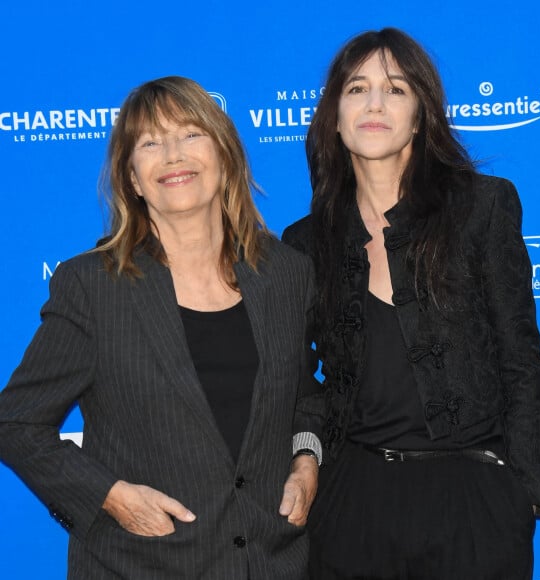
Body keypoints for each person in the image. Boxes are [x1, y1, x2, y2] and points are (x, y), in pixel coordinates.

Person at [0, 76, 322, 580]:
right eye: (150, 143)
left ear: (225, 156)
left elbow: (305, 397)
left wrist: (307, 460)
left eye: (191, 134)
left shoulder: (285, 273)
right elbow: (16, 422)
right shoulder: (92, 286)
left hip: (272, 563)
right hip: (140, 565)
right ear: (131, 177)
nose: (173, 155)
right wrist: (110, 496)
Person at [282, 28, 540, 580]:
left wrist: (521, 495)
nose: (375, 104)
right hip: (351, 504)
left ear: (421, 114)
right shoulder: (305, 242)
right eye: (357, 89)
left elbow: (521, 360)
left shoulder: (483, 208)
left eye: (396, 89)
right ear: (333, 118)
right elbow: (296, 379)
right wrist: (308, 461)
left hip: (473, 499)